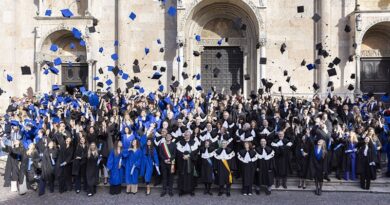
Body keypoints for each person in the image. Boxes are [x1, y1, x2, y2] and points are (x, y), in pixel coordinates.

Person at [176, 130, 199, 196]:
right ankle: (181, 190)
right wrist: (183, 156)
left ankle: (191, 190)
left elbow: (195, 152)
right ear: (184, 135)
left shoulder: (194, 142)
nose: (186, 136)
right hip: (182, 162)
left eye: (188, 135)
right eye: (185, 135)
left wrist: (189, 155)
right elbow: (178, 152)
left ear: (190, 135)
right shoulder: (180, 142)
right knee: (182, 176)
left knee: (190, 176)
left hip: (190, 163)